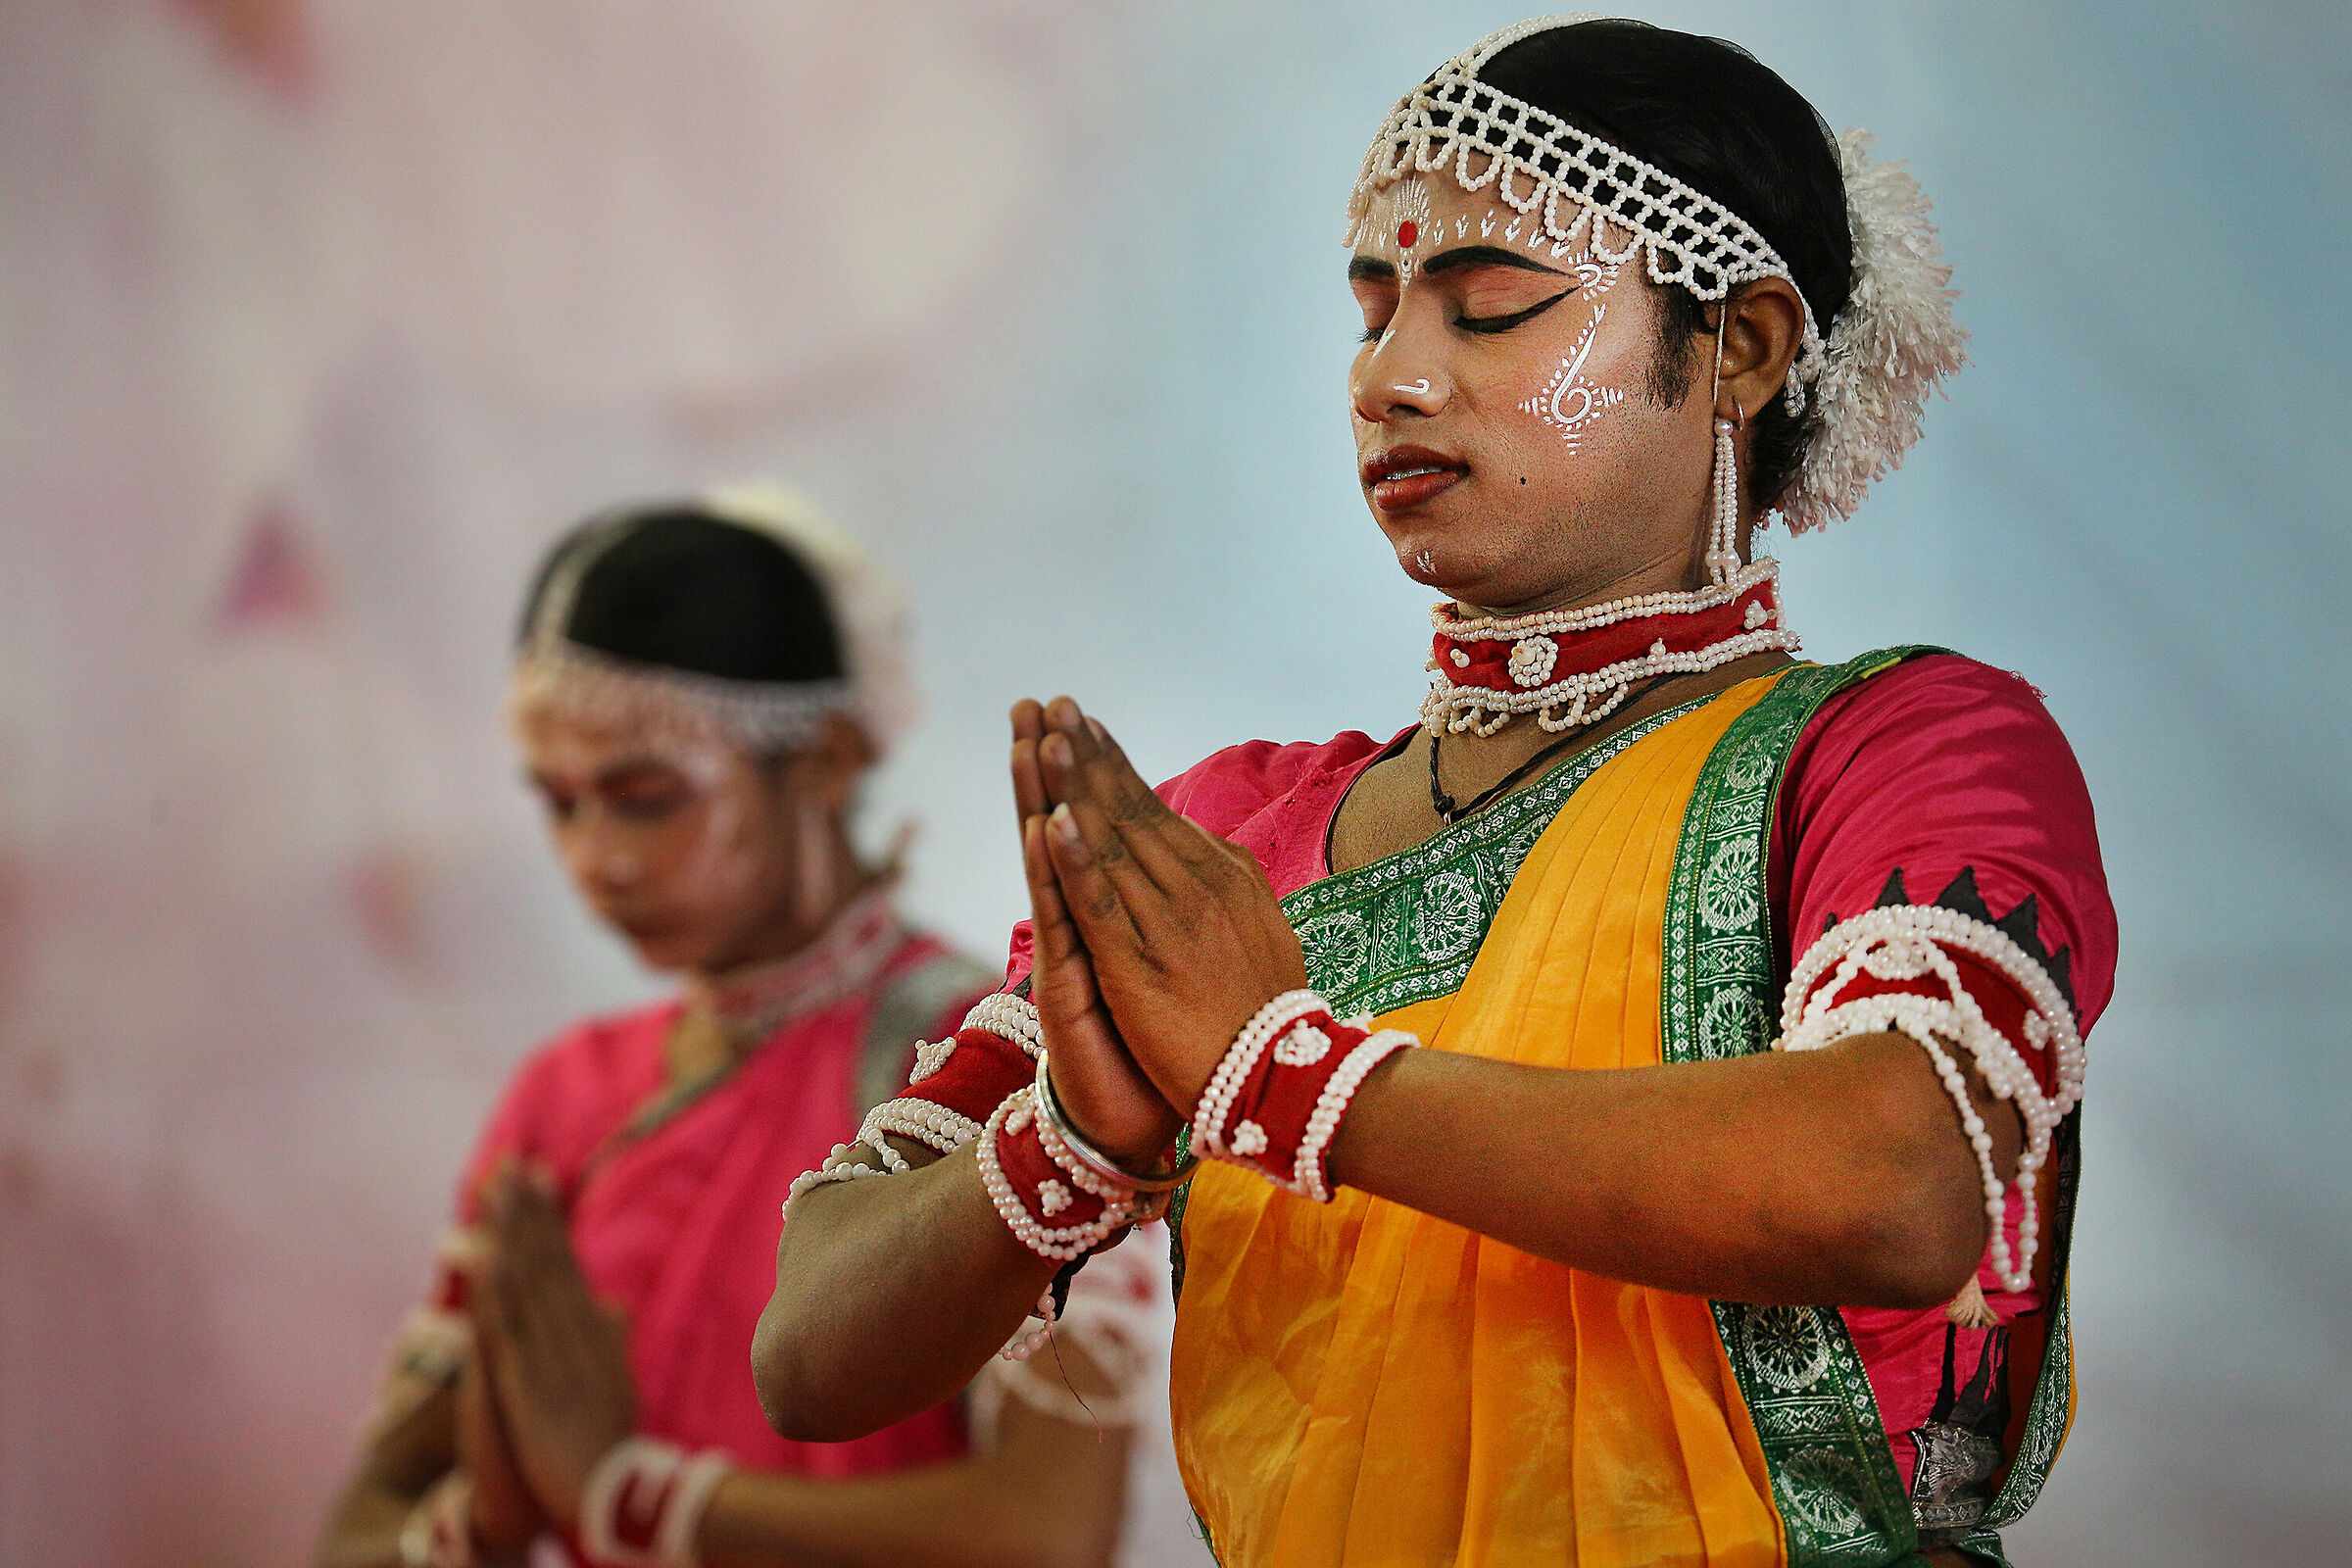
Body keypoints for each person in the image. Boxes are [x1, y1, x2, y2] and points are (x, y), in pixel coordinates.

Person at [755, 17, 2113, 1568]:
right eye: (1374, 313)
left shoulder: (1896, 750)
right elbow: (809, 1348)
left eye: (1492, 310)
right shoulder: (1231, 839)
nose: (1392, 381)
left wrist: (1282, 1082)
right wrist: (1073, 1137)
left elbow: (1893, 1182)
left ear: (1737, 349)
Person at [316, 487, 1152, 1568]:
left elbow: (1047, 1532)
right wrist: (485, 1524)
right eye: (561, 804)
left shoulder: (993, 1051)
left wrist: (628, 1497)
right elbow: (363, 1522)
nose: (597, 858)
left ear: (827, 760)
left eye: (648, 796)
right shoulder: (567, 1095)